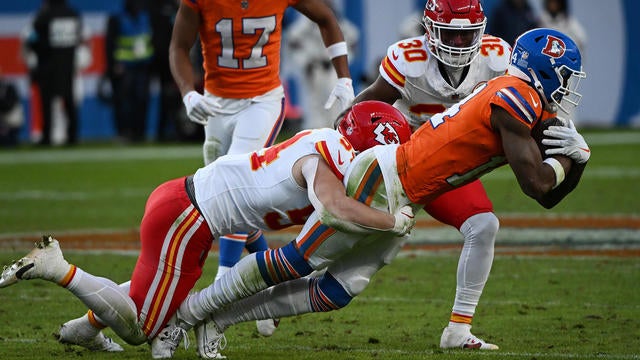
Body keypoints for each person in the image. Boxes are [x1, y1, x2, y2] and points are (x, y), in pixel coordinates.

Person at [150, 28, 591, 358]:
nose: (570, 87)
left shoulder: (519, 96)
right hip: (386, 180)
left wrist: (574, 161)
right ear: (544, 70)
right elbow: (537, 186)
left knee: (339, 290)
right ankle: (186, 316)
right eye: (566, 76)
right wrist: (575, 159)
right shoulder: (515, 95)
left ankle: (217, 319)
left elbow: (550, 192)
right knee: (299, 260)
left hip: (409, 192)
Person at [0, 102, 414, 359]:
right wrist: (392, 222)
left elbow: (257, 206)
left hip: (186, 207)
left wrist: (256, 253)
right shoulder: (329, 156)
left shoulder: (323, 143)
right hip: (188, 218)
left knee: (159, 291)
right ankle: (59, 269)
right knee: (141, 330)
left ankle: (86, 328)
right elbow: (333, 209)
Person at [169, 0, 355, 337]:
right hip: (214, 103)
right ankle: (265, 282)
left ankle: (223, 282)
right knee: (223, 201)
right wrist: (188, 94)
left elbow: (326, 17)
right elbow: (179, 46)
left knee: (233, 188)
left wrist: (343, 77)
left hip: (262, 102)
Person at [351, 0, 510, 350]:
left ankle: (458, 329)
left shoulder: (496, 59)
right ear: (429, 30)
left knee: (483, 226)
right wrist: (342, 134)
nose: (457, 42)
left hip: (446, 169)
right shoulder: (410, 60)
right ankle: (264, 297)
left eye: (465, 33)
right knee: (349, 274)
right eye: (450, 32)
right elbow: (365, 105)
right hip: (400, 167)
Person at [284, 2, 360, 130]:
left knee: (336, 103)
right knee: (314, 104)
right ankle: (315, 137)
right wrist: (304, 60)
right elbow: (293, 39)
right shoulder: (307, 21)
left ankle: (336, 133)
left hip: (333, 68)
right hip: (315, 68)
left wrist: (345, 61)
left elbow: (353, 39)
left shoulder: (337, 19)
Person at [24, 0, 82, 146]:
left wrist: (37, 51)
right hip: (67, 64)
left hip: (47, 64)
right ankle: (73, 136)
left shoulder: (44, 15)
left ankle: (47, 136)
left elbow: (33, 39)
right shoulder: (73, 14)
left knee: (47, 102)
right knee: (69, 101)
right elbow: (78, 38)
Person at [105, 0, 154, 143]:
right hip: (124, 67)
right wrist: (113, 65)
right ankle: (124, 133)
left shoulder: (145, 16)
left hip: (143, 66)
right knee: (124, 102)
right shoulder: (117, 18)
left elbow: (150, 39)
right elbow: (110, 43)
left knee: (142, 100)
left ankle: (140, 133)